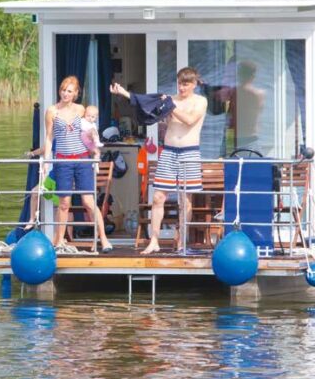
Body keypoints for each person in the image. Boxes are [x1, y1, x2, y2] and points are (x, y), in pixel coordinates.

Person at [111, 67, 207, 254]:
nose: (181, 88)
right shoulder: (171, 99)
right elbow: (146, 103)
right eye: (179, 84)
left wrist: (170, 106)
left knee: (185, 199)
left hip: (189, 153)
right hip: (169, 151)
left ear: (194, 84)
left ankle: (182, 241)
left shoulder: (200, 101)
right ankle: (154, 240)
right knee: (157, 197)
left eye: (186, 84)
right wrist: (124, 93)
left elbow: (189, 120)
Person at [44, 76, 113, 253]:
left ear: (75, 93)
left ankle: (103, 239)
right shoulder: (52, 111)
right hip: (62, 160)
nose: (65, 94)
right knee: (64, 203)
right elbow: (49, 138)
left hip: (82, 159)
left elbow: (88, 130)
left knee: (88, 201)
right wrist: (45, 161)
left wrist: (95, 148)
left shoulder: (81, 109)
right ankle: (59, 241)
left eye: (69, 91)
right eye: (63, 90)